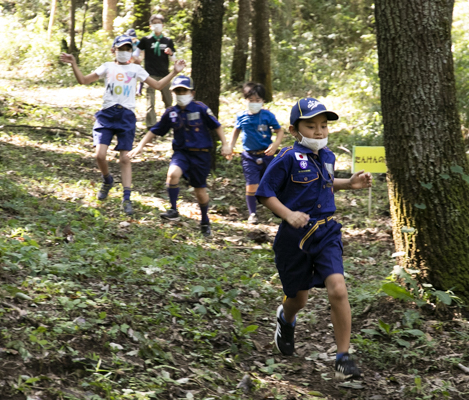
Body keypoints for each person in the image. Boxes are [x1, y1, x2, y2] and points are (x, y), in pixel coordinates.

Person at [255, 98, 372, 378]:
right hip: (294, 237)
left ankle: (343, 356)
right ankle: (286, 318)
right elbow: (264, 192)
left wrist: (349, 183)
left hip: (327, 231)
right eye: (311, 126)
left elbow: (326, 182)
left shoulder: (328, 156)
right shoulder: (286, 158)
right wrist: (287, 214)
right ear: (295, 130)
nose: (319, 132)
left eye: (323, 126)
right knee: (298, 299)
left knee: (338, 289)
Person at [60, 35, 186, 215]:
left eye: (128, 49)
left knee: (125, 158)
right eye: (121, 49)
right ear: (114, 50)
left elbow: (157, 85)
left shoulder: (136, 69)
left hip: (126, 116)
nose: (124, 52)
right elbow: (83, 80)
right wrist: (73, 63)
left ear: (131, 51)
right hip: (106, 114)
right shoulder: (107, 66)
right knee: (99, 155)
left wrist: (174, 72)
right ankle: (107, 180)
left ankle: (126, 198)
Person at [128, 75, 232, 236]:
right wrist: (140, 146)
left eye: (184, 91)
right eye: (177, 91)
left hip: (201, 155)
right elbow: (155, 130)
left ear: (192, 93)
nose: (181, 94)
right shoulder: (171, 112)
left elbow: (216, 126)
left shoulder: (201, 108)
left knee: (200, 192)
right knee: (172, 175)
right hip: (182, 153)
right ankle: (173, 209)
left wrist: (226, 145)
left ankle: (205, 221)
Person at [229, 83, 284, 224]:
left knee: (271, 182)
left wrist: (275, 144)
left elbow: (279, 131)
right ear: (245, 100)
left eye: (258, 100)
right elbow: (236, 131)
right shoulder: (241, 116)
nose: (254, 103)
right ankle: (252, 213)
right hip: (249, 156)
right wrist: (230, 146)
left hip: (266, 155)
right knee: (252, 184)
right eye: (251, 100)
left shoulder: (267, 116)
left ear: (263, 101)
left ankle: (277, 209)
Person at [137, 14, 176, 128]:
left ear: (163, 25)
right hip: (150, 75)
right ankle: (151, 125)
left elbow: (174, 59)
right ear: (150, 26)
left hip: (165, 75)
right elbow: (136, 53)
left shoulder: (168, 41)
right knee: (151, 102)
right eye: (154, 23)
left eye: (159, 23)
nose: (157, 25)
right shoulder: (146, 40)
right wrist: (137, 60)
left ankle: (169, 123)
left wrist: (171, 53)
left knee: (168, 102)